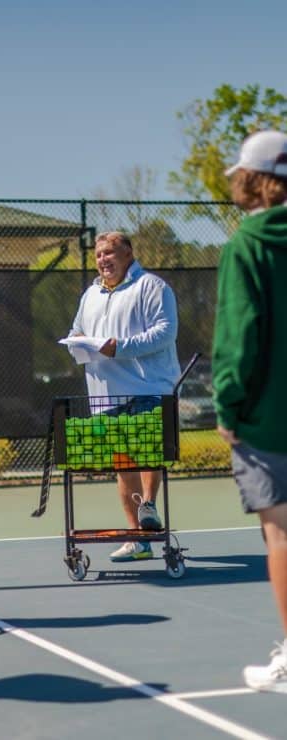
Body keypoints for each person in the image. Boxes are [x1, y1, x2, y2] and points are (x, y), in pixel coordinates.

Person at [212, 129, 287, 692]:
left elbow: (240, 341)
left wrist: (228, 409)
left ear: (254, 179)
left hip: (267, 418)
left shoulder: (249, 245)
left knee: (281, 536)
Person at [68, 231, 180, 562]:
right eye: (99, 254)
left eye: (110, 253)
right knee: (123, 463)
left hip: (148, 388)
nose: (103, 259)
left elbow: (165, 332)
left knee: (147, 453)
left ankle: (148, 505)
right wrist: (77, 341)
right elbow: (77, 330)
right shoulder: (90, 294)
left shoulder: (152, 287)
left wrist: (119, 347)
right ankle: (138, 540)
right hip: (106, 395)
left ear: (128, 253)